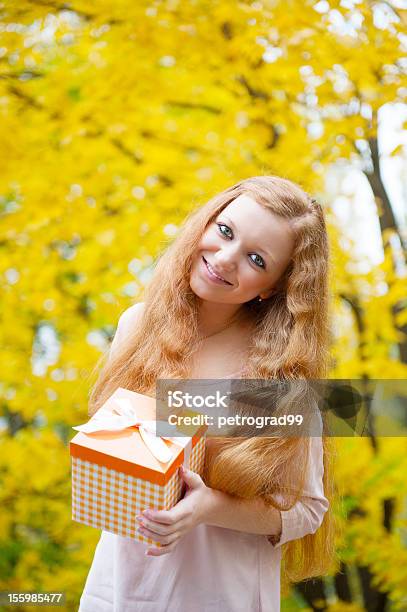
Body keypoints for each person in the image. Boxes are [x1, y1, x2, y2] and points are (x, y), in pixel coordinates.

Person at [78, 176, 336, 612]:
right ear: (207, 221)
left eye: (256, 259)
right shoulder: (138, 327)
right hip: (120, 589)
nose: (225, 259)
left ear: (272, 286)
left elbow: (307, 509)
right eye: (225, 231)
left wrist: (208, 507)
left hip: (220, 595)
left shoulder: (276, 376)